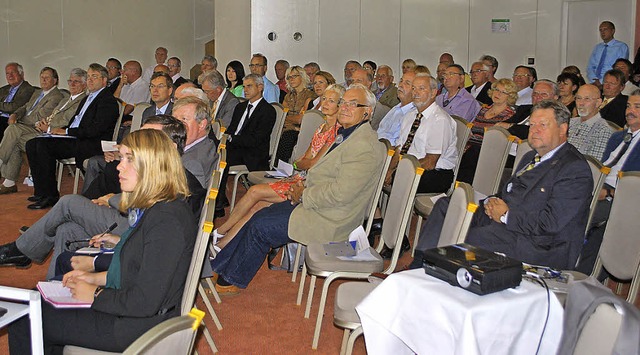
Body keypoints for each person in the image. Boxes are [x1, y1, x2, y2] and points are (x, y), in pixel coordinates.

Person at [8, 129, 196, 354]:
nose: (119, 166)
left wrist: (95, 293)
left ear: (153, 166)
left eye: (129, 159)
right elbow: (138, 270)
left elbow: (145, 302)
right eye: (121, 157)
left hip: (137, 327)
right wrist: (93, 278)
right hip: (134, 316)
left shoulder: (166, 220)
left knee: (27, 317)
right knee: (38, 302)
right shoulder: (160, 207)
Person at [210, 84, 386, 294]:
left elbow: (341, 194)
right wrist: (302, 187)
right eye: (343, 102)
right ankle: (218, 266)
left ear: (367, 112)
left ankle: (230, 280)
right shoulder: (347, 134)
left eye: (352, 104)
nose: (345, 108)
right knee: (260, 213)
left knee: (262, 227)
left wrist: (303, 194)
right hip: (316, 207)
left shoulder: (363, 146)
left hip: (332, 220)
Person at [0, 115, 203, 279]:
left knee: (69, 202)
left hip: (138, 233)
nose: (140, 140)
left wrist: (112, 200)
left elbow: (153, 219)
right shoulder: (156, 170)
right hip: (130, 222)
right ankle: (56, 287)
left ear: (170, 147)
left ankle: (21, 249)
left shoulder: (180, 180)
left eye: (149, 136)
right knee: (67, 229)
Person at [410, 99, 593, 270]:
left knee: (467, 234)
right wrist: (492, 202)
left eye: (543, 125)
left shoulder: (573, 169)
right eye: (532, 125)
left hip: (539, 244)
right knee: (447, 206)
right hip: (506, 222)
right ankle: (419, 266)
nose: (534, 130)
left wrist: (506, 215)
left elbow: (550, 223)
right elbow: (509, 192)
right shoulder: (531, 156)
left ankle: (447, 279)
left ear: (562, 129)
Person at [214, 84, 345, 248]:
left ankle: (219, 232)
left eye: (331, 101)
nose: (325, 103)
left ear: (340, 105)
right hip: (300, 176)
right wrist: (302, 162)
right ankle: (223, 243)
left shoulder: (336, 132)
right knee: (258, 206)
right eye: (324, 99)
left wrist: (303, 162)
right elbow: (302, 159)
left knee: (255, 191)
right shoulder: (321, 127)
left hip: (308, 185)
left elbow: (311, 163)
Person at [26, 63, 120, 209]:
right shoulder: (87, 98)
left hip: (89, 142)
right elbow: (75, 122)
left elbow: (94, 130)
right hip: (74, 137)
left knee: (44, 146)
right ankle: (41, 191)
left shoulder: (107, 101)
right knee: (32, 143)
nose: (89, 80)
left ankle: (50, 196)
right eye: (88, 77)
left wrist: (66, 132)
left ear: (104, 80)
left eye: (94, 77)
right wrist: (57, 130)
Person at [576, 89, 640, 274]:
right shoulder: (617, 137)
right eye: (628, 106)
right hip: (597, 188)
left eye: (637, 107)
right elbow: (603, 167)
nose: (630, 111)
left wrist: (610, 191)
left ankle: (577, 271)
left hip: (620, 198)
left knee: (577, 213)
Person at [217, 74, 276, 215]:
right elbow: (232, 129)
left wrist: (231, 139)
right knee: (216, 152)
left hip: (252, 153)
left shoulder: (267, 111)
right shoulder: (240, 107)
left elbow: (256, 140)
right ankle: (218, 197)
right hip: (236, 147)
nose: (245, 90)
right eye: (244, 86)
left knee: (222, 159)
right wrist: (226, 138)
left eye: (249, 86)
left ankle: (218, 205)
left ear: (260, 87)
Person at [0, 67, 64, 194]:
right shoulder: (37, 92)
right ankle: (9, 183)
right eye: (42, 77)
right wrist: (15, 115)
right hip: (25, 130)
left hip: (39, 132)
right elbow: (24, 107)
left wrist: (19, 120)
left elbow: (39, 117)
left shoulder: (56, 96)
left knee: (13, 130)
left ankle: (3, 165)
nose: (43, 80)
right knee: (14, 138)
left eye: (47, 77)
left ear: (55, 80)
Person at [457, 78, 518, 184]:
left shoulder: (510, 115)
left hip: (490, 152)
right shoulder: (483, 110)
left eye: (503, 92)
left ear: (510, 96)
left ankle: (462, 189)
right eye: (497, 90)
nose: (498, 94)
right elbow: (472, 129)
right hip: (471, 148)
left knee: (472, 154)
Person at [275, 66, 317, 163]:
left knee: (287, 136)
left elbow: (300, 119)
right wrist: (290, 121)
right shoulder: (288, 96)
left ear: (302, 77)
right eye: (289, 77)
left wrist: (287, 119)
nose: (291, 79)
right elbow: (281, 116)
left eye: (294, 76)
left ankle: (279, 168)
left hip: (301, 131)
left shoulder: (310, 95)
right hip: (287, 128)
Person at [568, 84, 614, 160]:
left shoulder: (603, 130)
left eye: (587, 99)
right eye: (578, 98)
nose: (581, 103)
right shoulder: (569, 123)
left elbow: (593, 165)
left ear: (598, 102)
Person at [587, 21, 629, 88]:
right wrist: (594, 80)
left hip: (611, 82)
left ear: (612, 31)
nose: (602, 32)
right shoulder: (597, 47)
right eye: (600, 30)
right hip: (594, 83)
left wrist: (602, 81)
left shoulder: (621, 47)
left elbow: (620, 68)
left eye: (605, 29)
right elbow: (590, 67)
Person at [0, 63, 35, 140]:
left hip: (10, 120)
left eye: (13, 72)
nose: (10, 76)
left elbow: (13, 107)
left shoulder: (28, 89)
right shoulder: (3, 89)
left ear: (21, 74)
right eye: (7, 73)